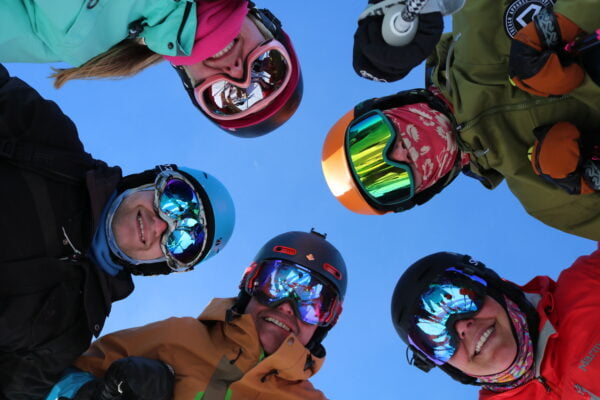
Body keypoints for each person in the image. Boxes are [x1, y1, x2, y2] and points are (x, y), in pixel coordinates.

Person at [0, 64, 235, 399]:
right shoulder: (53, 148)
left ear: (163, 265)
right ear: (148, 181)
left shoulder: (71, 328)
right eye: (174, 200)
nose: (159, 224)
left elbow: (14, 388)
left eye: (181, 241)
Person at [321, 0, 600, 241]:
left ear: (386, 107)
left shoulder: (476, 19)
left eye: (373, 138)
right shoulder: (546, 199)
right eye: (390, 181)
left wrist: (573, 19)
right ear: (423, 192)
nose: (399, 153)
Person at [47, 230, 347, 400]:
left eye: (313, 303)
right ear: (250, 284)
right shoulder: (179, 336)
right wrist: (93, 394)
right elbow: (50, 378)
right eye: (276, 284)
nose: (286, 306)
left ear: (326, 322)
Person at [0, 0, 302, 137]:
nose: (238, 72)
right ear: (266, 25)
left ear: (189, 81)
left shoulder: (82, 44)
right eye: (267, 69)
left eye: (227, 96)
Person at [389, 248, 600, 399]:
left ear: (495, 289)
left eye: (461, 300)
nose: (461, 327)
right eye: (436, 338)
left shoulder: (589, 284)